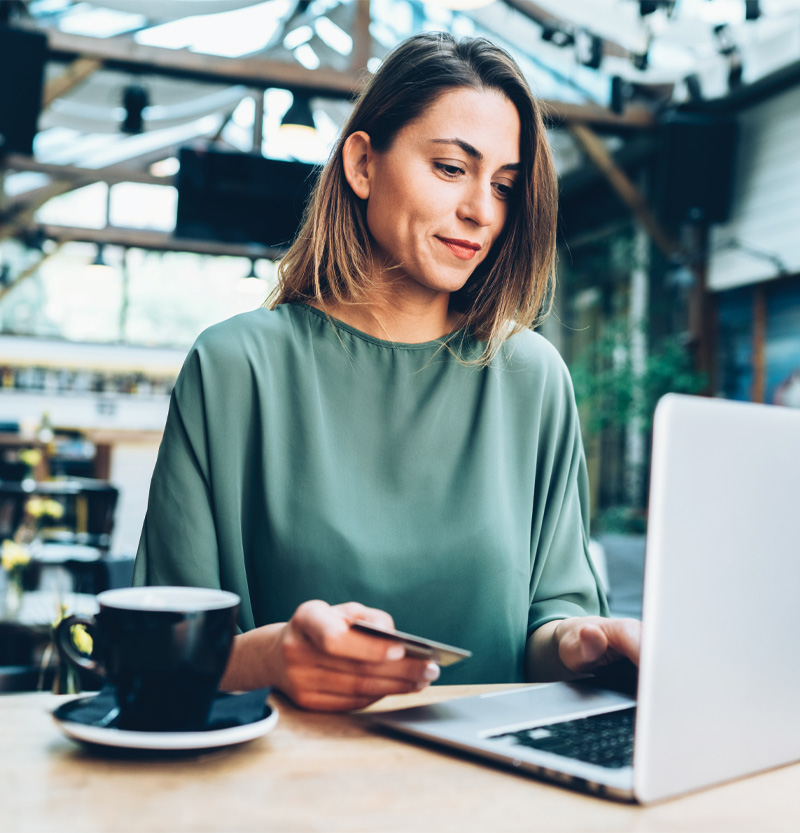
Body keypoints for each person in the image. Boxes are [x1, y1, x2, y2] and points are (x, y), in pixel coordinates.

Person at [133, 32, 641, 711]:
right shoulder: (234, 368)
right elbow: (155, 652)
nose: (481, 211)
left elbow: (550, 619)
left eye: (504, 185)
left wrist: (584, 639)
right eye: (452, 169)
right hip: (282, 797)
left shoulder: (531, 378)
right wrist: (269, 657)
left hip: (492, 798)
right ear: (364, 163)